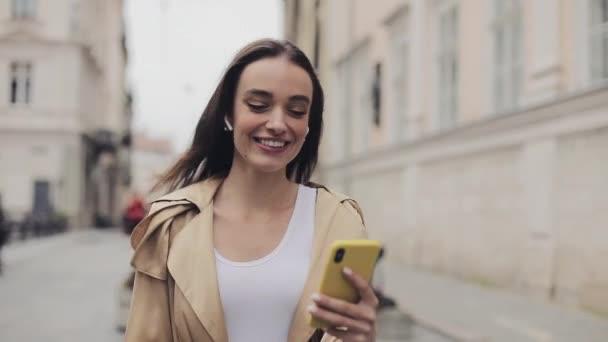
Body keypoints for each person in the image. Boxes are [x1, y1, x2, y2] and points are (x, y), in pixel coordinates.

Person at [126, 39, 378, 342]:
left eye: (296, 111)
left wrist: (362, 337)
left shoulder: (340, 220)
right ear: (228, 114)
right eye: (258, 105)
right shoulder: (172, 223)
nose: (277, 123)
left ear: (309, 125)